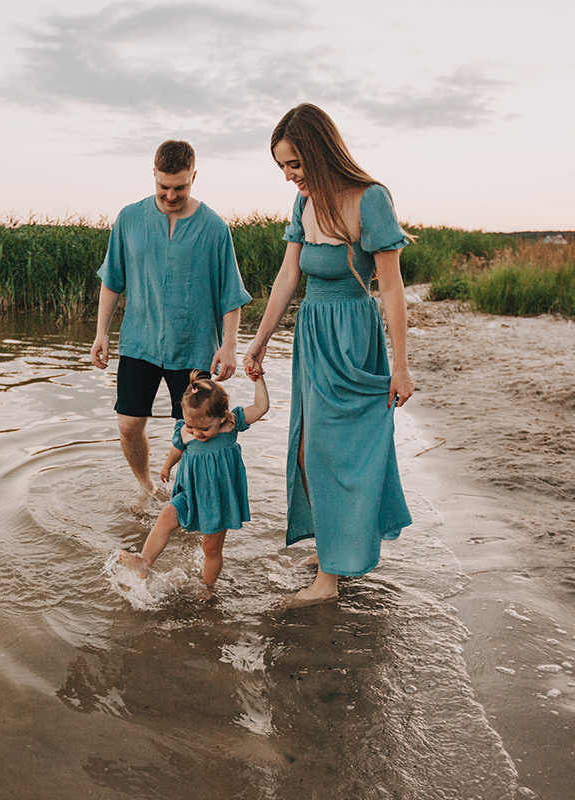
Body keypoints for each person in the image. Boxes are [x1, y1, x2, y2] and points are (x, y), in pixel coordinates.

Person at [242, 103, 415, 607]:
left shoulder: (371, 200)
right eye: (282, 167)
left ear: (320, 150)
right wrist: (260, 337)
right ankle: (331, 553)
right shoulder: (303, 206)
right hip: (311, 338)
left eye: (295, 164)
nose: (290, 176)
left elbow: (393, 289)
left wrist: (400, 366)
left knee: (334, 453)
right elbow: (288, 276)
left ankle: (329, 579)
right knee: (305, 448)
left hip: (352, 339)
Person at [90, 140, 252, 502]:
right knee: (129, 425)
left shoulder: (214, 228)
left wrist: (228, 347)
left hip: (194, 347)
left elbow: (231, 295)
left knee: (200, 432)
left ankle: (189, 501)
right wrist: (101, 333)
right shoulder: (129, 218)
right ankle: (146, 487)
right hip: (139, 342)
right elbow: (112, 280)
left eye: (180, 187)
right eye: (163, 186)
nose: (171, 194)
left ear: (194, 177)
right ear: (153, 175)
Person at [118, 369, 269, 588]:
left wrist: (258, 380)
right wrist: (167, 466)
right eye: (191, 426)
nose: (196, 433)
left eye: (204, 428)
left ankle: (207, 588)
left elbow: (261, 407)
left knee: (211, 548)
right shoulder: (184, 430)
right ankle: (144, 561)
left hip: (218, 498)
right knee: (165, 517)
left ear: (222, 417)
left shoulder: (232, 424)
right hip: (190, 492)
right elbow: (177, 448)